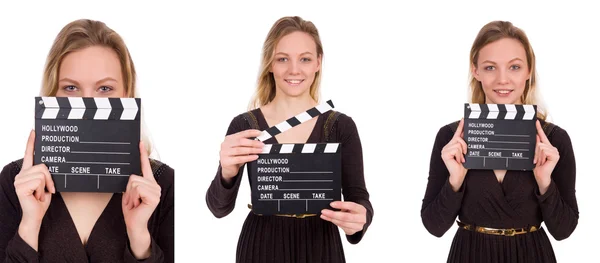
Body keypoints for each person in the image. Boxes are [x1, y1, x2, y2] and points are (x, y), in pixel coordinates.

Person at [0, 19, 174, 262]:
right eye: (71, 88)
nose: (87, 103)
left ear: (127, 94)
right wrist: (29, 225)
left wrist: (139, 239)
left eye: (105, 89)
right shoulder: (14, 183)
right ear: (52, 93)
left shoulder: (162, 186)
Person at [205, 16, 373, 263]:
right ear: (270, 64)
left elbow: (359, 198)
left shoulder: (340, 126)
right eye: (283, 58)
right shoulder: (245, 126)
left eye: (304, 59)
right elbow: (218, 208)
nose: (294, 69)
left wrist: (360, 220)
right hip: (260, 246)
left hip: (321, 245)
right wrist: (227, 173)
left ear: (318, 62)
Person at [421, 20, 579, 263]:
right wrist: (455, 180)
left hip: (532, 255)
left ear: (528, 71)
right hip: (470, 254)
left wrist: (545, 183)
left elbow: (564, 230)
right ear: (476, 70)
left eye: (514, 67)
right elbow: (434, 226)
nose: (503, 79)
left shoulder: (554, 140)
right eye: (490, 67)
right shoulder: (451, 139)